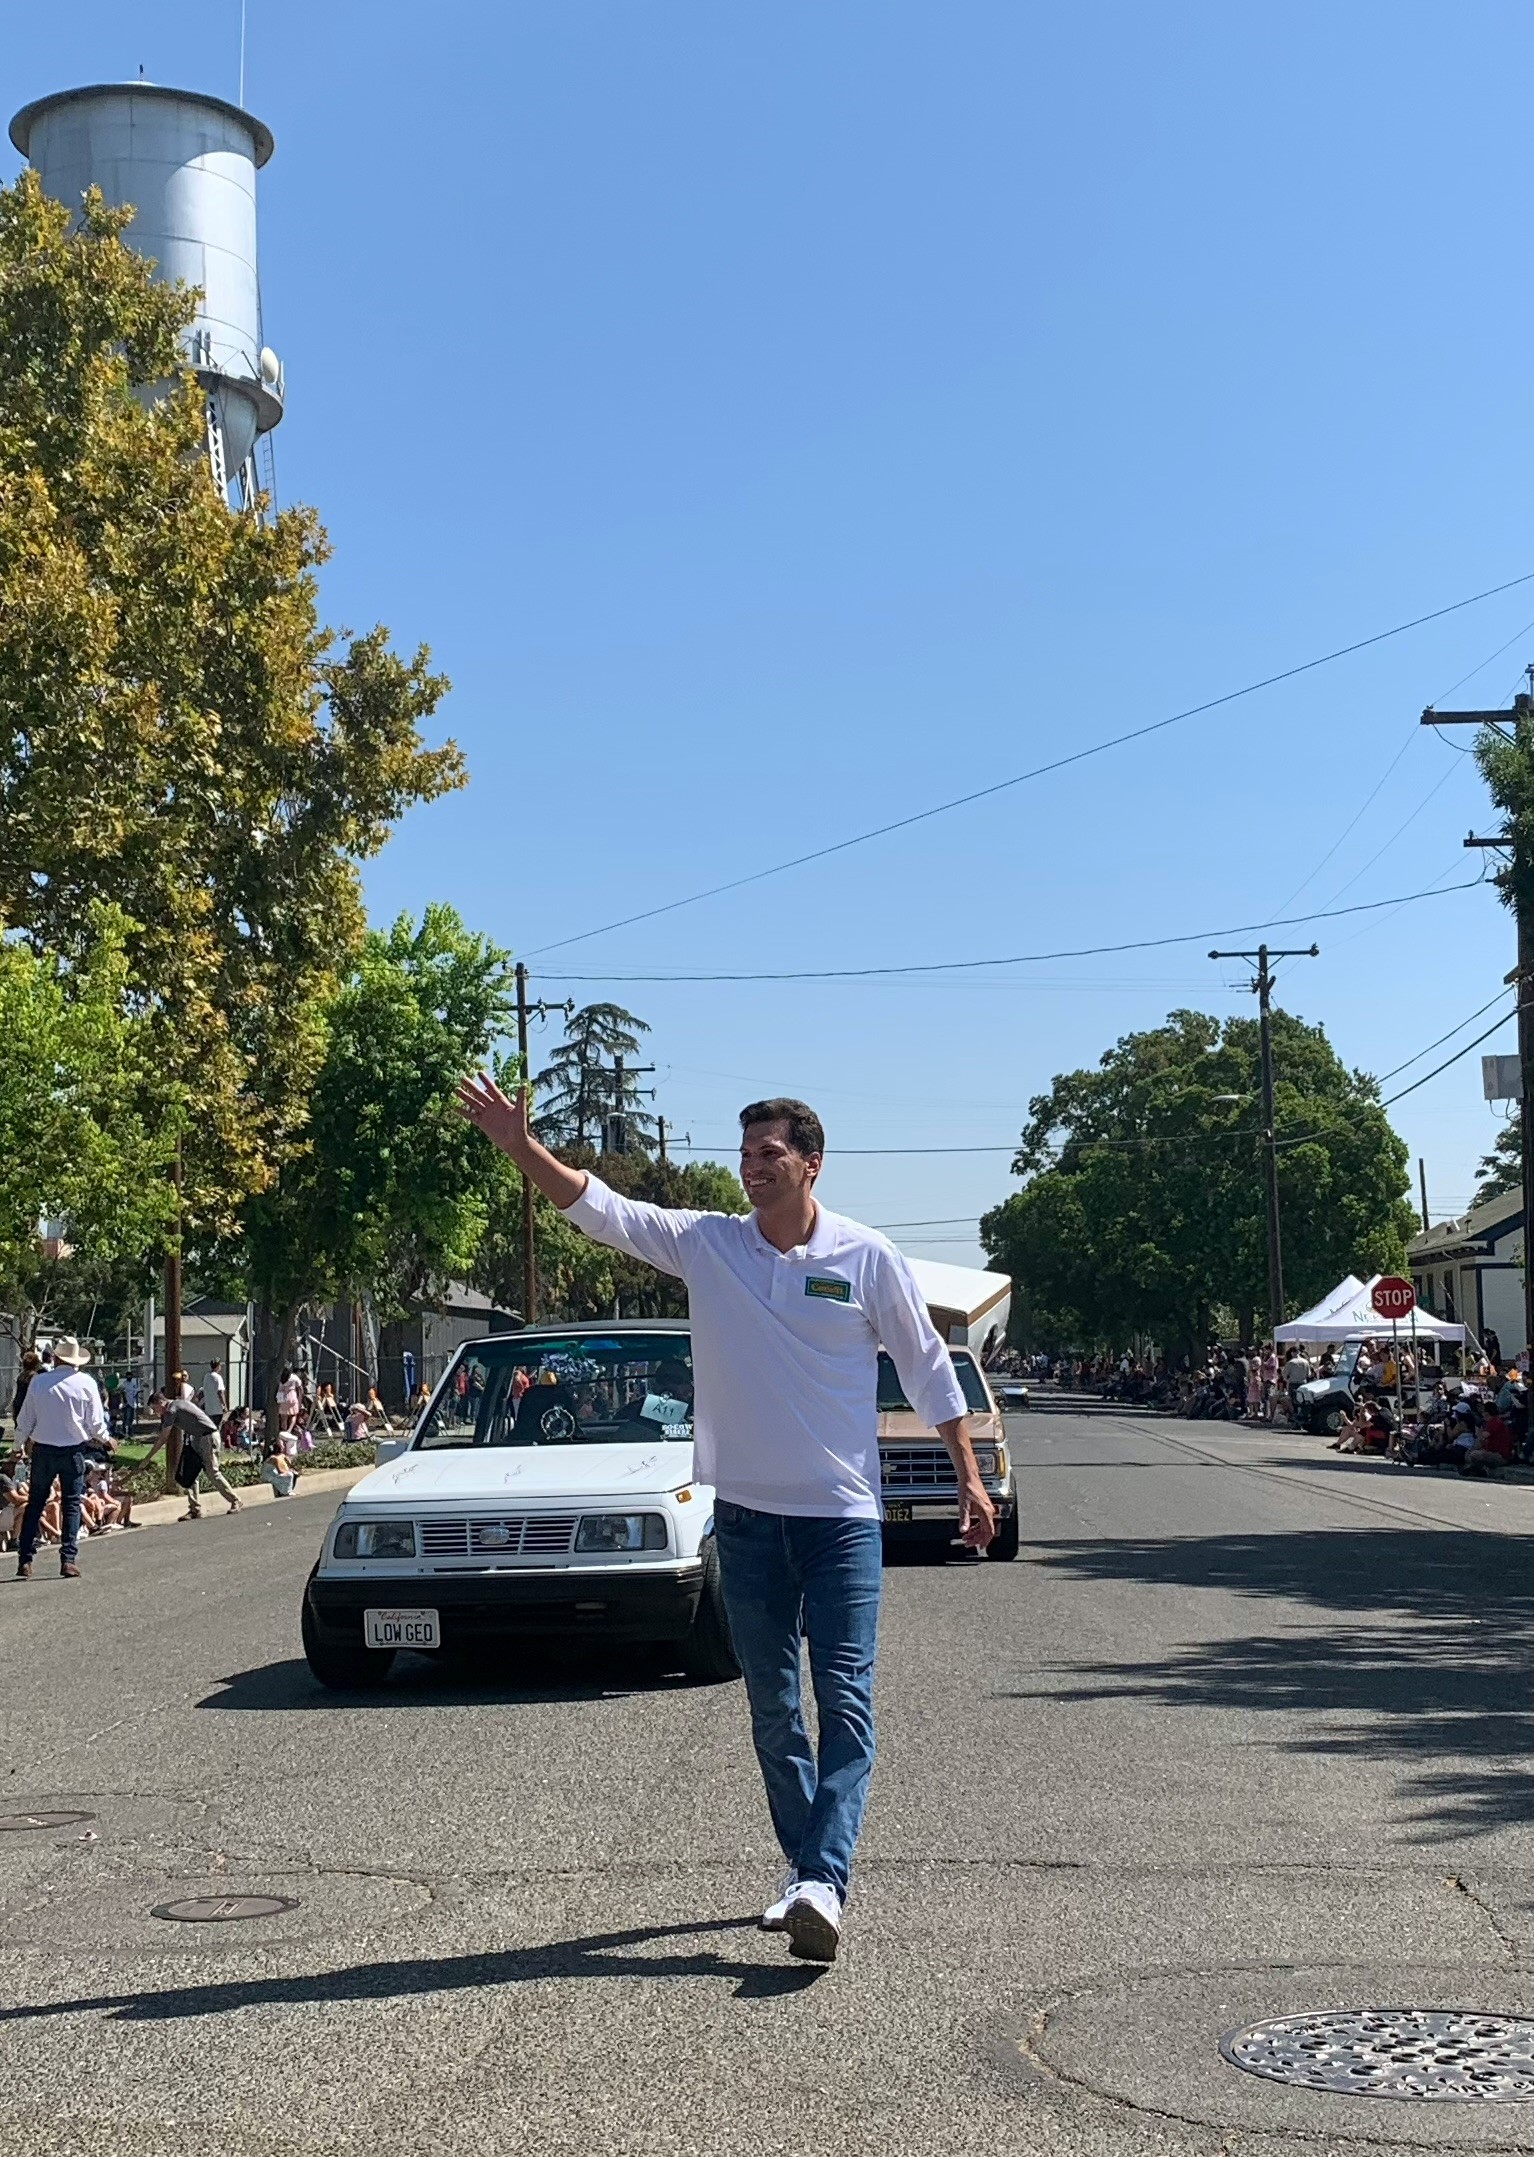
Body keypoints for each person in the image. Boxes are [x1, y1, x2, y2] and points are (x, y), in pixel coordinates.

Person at [459, 1073, 995, 1966]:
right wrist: (522, 1147)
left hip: (840, 1522)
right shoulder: (712, 1247)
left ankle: (824, 1878)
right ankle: (811, 1873)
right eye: (744, 1155)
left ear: (812, 1164)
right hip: (745, 1519)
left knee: (847, 1701)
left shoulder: (866, 1258)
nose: (751, 1169)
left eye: (769, 1153)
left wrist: (969, 1479)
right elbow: (605, 1211)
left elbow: (929, 1366)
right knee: (774, 1709)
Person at [13, 1336, 109, 1581]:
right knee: (71, 1503)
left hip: (43, 1449)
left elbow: (25, 1420)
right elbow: (95, 1423)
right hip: (73, 1450)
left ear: (55, 1357)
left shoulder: (39, 1383)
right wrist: (107, 1439)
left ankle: (25, 1559)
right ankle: (68, 1558)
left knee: (35, 1503)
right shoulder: (86, 1383)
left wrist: (17, 1446)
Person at [161, 1397, 242, 1521]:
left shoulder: (172, 1409)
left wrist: (148, 1458)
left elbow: (164, 1437)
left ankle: (235, 1500)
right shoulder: (179, 1403)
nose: (156, 1412)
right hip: (197, 1437)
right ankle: (195, 1508)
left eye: (154, 1408)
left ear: (160, 1403)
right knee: (191, 1472)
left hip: (208, 1436)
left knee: (212, 1472)